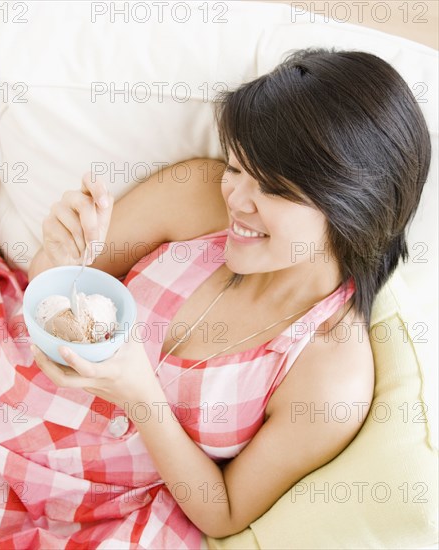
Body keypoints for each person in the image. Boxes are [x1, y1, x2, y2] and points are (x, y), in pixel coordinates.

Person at [28, 47, 431, 544]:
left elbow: (225, 512)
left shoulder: (330, 375)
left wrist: (144, 400)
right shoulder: (195, 194)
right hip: (14, 384)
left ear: (355, 211)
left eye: (274, 190)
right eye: (238, 168)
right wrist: (57, 249)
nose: (237, 200)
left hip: (99, 498)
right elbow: (46, 286)